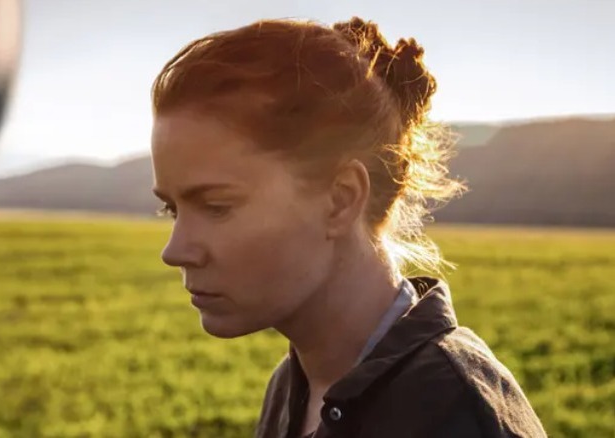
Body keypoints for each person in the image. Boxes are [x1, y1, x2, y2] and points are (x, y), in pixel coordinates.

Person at [149, 15, 547, 438]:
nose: (175, 251)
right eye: (172, 210)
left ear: (340, 199)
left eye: (215, 206)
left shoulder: (457, 413)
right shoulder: (291, 386)